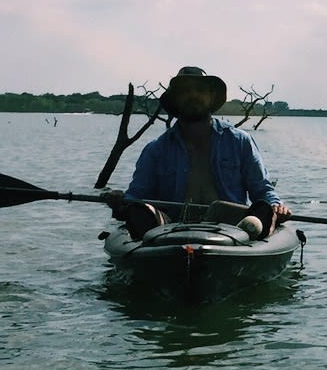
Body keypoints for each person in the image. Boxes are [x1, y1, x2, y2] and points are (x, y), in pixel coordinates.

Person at [106, 66, 291, 241]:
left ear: (211, 97)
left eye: (200, 90)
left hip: (234, 229)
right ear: (175, 100)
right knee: (140, 211)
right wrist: (120, 203)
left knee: (261, 212)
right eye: (185, 91)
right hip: (170, 230)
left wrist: (276, 206)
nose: (193, 95)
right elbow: (136, 196)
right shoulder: (156, 150)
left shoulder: (239, 141)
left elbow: (262, 190)